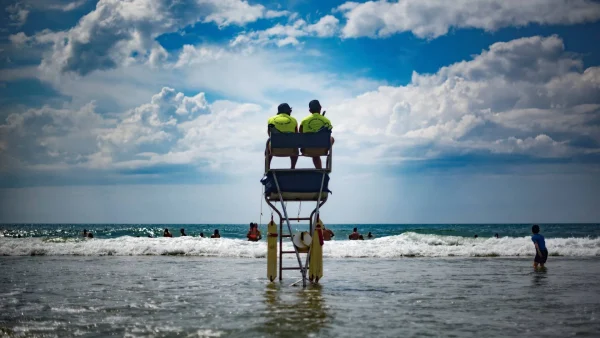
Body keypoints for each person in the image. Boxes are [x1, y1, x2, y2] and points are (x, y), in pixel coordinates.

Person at [299, 100, 334, 169]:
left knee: (314, 151)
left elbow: (300, 133)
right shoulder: (326, 120)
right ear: (320, 108)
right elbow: (329, 132)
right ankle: (326, 149)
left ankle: (319, 168)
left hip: (307, 149)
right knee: (331, 138)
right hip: (322, 149)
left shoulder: (304, 120)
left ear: (310, 110)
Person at [266, 103, 299, 169]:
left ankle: (267, 168)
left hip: (274, 149)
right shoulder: (293, 120)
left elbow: (269, 134)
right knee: (295, 145)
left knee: (268, 145)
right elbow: (296, 135)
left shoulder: (271, 120)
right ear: (288, 111)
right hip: (290, 150)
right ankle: (292, 167)